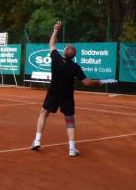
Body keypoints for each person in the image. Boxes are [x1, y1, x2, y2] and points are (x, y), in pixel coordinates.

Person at [30, 21, 106, 157]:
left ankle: (37, 141)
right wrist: (98, 82)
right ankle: (72, 148)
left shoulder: (56, 58)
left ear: (65, 52)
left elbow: (51, 44)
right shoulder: (75, 67)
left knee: (43, 114)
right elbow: (87, 83)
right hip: (67, 96)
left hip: (53, 92)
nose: (64, 48)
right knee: (70, 120)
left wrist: (55, 30)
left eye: (65, 47)